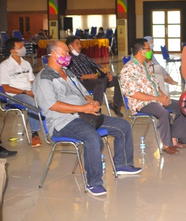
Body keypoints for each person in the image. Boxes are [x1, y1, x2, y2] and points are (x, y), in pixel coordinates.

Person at [33, 40, 140, 196]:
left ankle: (122, 164)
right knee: (93, 138)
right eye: (65, 52)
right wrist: (83, 108)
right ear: (53, 54)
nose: (68, 55)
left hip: (84, 115)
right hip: (63, 121)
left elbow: (82, 93)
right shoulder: (44, 78)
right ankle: (94, 182)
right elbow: (53, 105)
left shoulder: (68, 73)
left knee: (122, 126)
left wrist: (92, 103)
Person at [119, 38, 186, 155]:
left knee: (183, 106)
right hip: (141, 103)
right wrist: (158, 99)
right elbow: (133, 93)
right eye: (148, 48)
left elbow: (155, 86)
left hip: (155, 99)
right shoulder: (129, 69)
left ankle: (176, 136)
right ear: (141, 50)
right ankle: (167, 144)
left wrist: (163, 96)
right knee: (163, 113)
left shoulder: (145, 65)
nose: (150, 51)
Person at [65, 36, 124, 117]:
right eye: (77, 44)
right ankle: (96, 111)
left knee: (117, 79)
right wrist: (87, 76)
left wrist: (107, 73)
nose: (80, 46)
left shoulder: (83, 56)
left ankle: (116, 105)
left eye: (80, 44)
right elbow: (70, 75)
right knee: (99, 83)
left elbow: (96, 65)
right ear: (70, 46)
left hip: (95, 79)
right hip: (83, 83)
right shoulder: (67, 59)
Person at [0, 37, 42, 147]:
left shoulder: (26, 64)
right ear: (12, 51)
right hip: (14, 96)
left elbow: (32, 81)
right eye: (20, 47)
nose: (23, 49)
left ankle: (55, 130)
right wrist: (25, 92)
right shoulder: (4, 66)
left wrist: (38, 90)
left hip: (29, 92)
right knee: (32, 103)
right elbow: (6, 88)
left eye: (23, 46)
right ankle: (35, 134)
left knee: (49, 98)